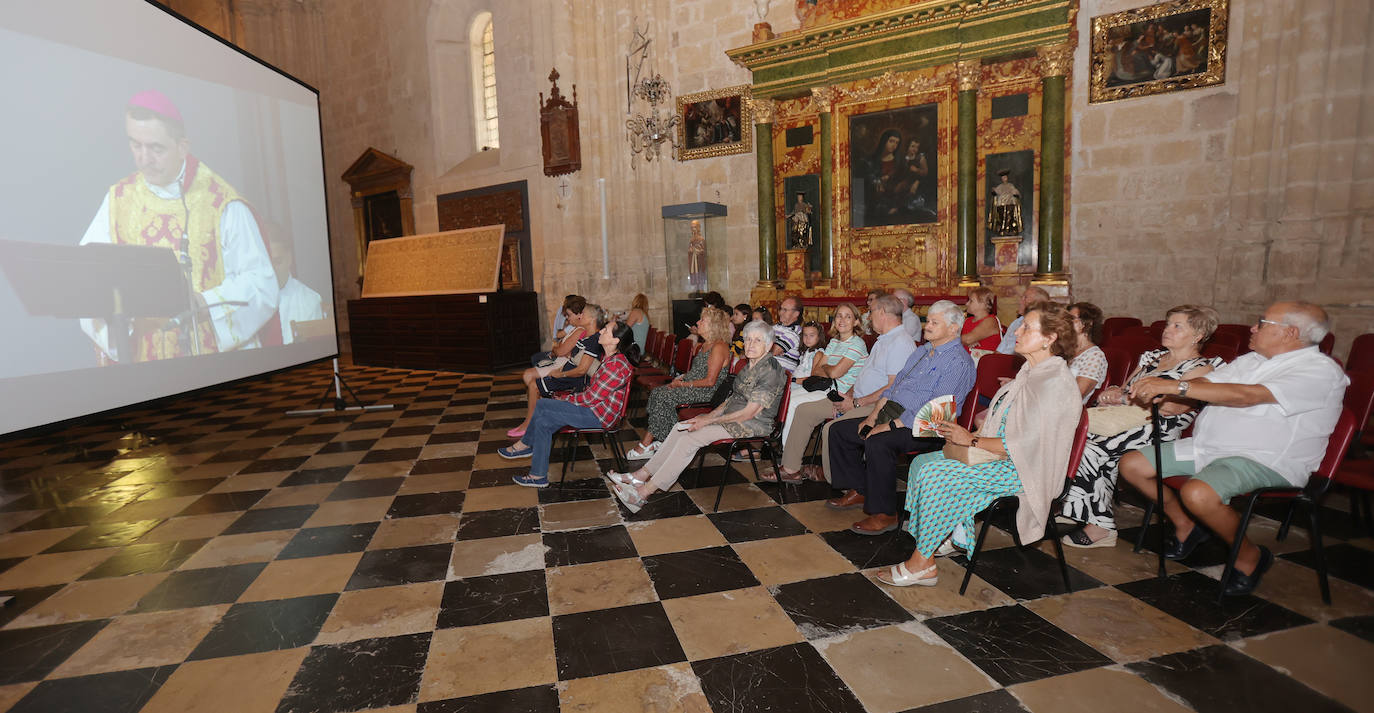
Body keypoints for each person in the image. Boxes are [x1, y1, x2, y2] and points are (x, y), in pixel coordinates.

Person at [1119, 301, 1348, 595]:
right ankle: (1185, 524)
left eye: (1262, 323)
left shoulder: (1319, 371)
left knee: (1198, 492)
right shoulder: (1253, 360)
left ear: (1290, 332)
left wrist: (1176, 387)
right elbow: (1210, 381)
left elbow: (1246, 396)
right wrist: (1171, 385)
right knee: (1132, 464)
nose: (1253, 327)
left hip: (1262, 457)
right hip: (1209, 448)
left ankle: (1249, 555)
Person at [877, 303, 1082, 587]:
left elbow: (1026, 445)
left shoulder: (1054, 382)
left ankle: (922, 563)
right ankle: (942, 533)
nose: (1017, 331)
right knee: (923, 463)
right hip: (1004, 457)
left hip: (1025, 469)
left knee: (938, 475)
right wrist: (973, 431)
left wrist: (971, 439)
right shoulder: (1032, 372)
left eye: (1026, 327)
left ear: (1050, 338)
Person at [80, 90, 278, 363]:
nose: (143, 158)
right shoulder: (117, 201)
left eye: (156, 148)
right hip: (144, 368)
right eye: (135, 145)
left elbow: (261, 284)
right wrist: (118, 320)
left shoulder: (220, 203)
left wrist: (205, 303)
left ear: (183, 147)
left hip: (211, 366)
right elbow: (87, 276)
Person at [1060, 305, 1223, 548]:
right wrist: (1113, 392)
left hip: (1158, 427)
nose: (1168, 330)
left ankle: (1101, 527)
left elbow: (1173, 408)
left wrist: (1125, 398)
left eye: (1177, 326)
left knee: (1091, 447)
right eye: (1168, 324)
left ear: (1198, 335)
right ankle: (1078, 506)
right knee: (1069, 437)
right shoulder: (1153, 358)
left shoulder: (1202, 368)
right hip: (1127, 419)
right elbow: (1124, 389)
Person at [826, 301, 977, 534]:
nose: (927, 326)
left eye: (935, 322)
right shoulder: (922, 351)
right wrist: (873, 417)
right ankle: (861, 489)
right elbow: (893, 388)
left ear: (954, 329)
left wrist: (889, 426)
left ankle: (885, 513)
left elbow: (936, 410)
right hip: (896, 413)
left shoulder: (957, 361)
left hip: (929, 425)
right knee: (841, 431)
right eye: (928, 320)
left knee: (878, 442)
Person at [607, 320, 787, 513]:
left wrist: (708, 420)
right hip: (733, 417)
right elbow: (731, 400)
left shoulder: (770, 371)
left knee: (690, 438)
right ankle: (640, 475)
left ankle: (642, 493)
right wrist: (706, 415)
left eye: (757, 341)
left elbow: (749, 413)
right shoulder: (749, 365)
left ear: (768, 346)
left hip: (752, 424)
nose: (750, 345)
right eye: (748, 339)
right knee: (681, 427)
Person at [774, 295, 917, 482]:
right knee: (804, 411)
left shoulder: (900, 342)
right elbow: (862, 375)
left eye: (871, 311)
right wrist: (848, 396)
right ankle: (790, 468)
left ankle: (833, 477)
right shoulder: (884, 339)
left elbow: (893, 387)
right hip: (855, 396)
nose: (868, 316)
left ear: (882, 313)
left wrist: (856, 403)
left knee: (833, 428)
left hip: (876, 405)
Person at [499, 320, 640, 488]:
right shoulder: (610, 359)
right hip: (595, 410)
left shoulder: (615, 366)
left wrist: (566, 399)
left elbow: (590, 398)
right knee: (543, 422)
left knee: (543, 405)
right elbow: (591, 396)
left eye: (606, 330)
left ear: (615, 340)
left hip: (599, 416)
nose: (601, 331)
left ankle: (526, 445)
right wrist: (570, 400)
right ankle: (538, 476)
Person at [626, 306, 731, 461]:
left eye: (702, 320)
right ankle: (664, 441)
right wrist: (680, 379)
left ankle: (648, 444)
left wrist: (683, 385)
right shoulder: (704, 345)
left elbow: (710, 381)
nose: (698, 322)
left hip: (707, 392)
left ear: (713, 325)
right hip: (694, 386)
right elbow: (696, 373)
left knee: (663, 396)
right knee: (658, 393)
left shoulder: (719, 347)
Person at [772, 305, 867, 457]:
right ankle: (783, 443)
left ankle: (785, 451)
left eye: (847, 316)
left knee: (794, 403)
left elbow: (836, 373)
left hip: (840, 393)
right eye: (838, 316)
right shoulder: (834, 342)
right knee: (787, 397)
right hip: (825, 387)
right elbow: (816, 371)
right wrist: (830, 369)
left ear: (856, 322)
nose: (842, 320)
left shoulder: (857, 344)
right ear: (834, 320)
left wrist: (828, 368)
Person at [508, 304, 608, 438]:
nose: (580, 316)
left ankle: (528, 424)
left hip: (575, 380)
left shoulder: (593, 340)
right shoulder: (586, 336)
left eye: (582, 314)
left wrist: (560, 373)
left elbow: (582, 370)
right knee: (534, 382)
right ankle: (535, 421)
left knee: (534, 385)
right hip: (569, 374)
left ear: (592, 319)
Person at [265, 225, 326, 345]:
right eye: (267, 263)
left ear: (289, 258)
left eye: (277, 262)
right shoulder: (248, 302)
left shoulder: (309, 301)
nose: (272, 270)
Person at [1068, 302, 1109, 404]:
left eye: (1072, 318)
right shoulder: (1065, 350)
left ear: (1088, 323)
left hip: (1070, 411)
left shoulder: (1095, 356)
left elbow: (1077, 395)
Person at [995, 285, 1050, 354]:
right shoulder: (1016, 322)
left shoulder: (1040, 324)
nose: (1020, 301)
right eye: (1021, 297)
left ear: (1037, 303)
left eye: (1025, 298)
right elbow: (1000, 349)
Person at [960, 287, 1002, 356]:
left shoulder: (990, 320)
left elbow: (968, 339)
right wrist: (964, 341)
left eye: (971, 301)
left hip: (987, 363)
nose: (967, 304)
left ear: (983, 304)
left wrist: (964, 340)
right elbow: (964, 339)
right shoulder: (968, 320)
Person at [770, 296, 804, 371]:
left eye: (785, 310)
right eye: (781, 309)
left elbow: (774, 351)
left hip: (780, 374)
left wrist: (765, 345)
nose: (780, 313)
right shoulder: (775, 327)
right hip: (766, 368)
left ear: (796, 314)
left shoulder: (795, 332)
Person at [987, 170, 1023, 236]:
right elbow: (996, 192)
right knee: (1001, 217)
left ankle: (1009, 229)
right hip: (1001, 204)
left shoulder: (1010, 186)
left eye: (1005, 177)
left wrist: (1016, 194)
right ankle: (1002, 229)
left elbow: (1016, 192)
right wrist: (994, 191)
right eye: (1003, 178)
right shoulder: (1000, 186)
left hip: (1010, 203)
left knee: (1009, 217)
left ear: (1007, 178)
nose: (1004, 179)